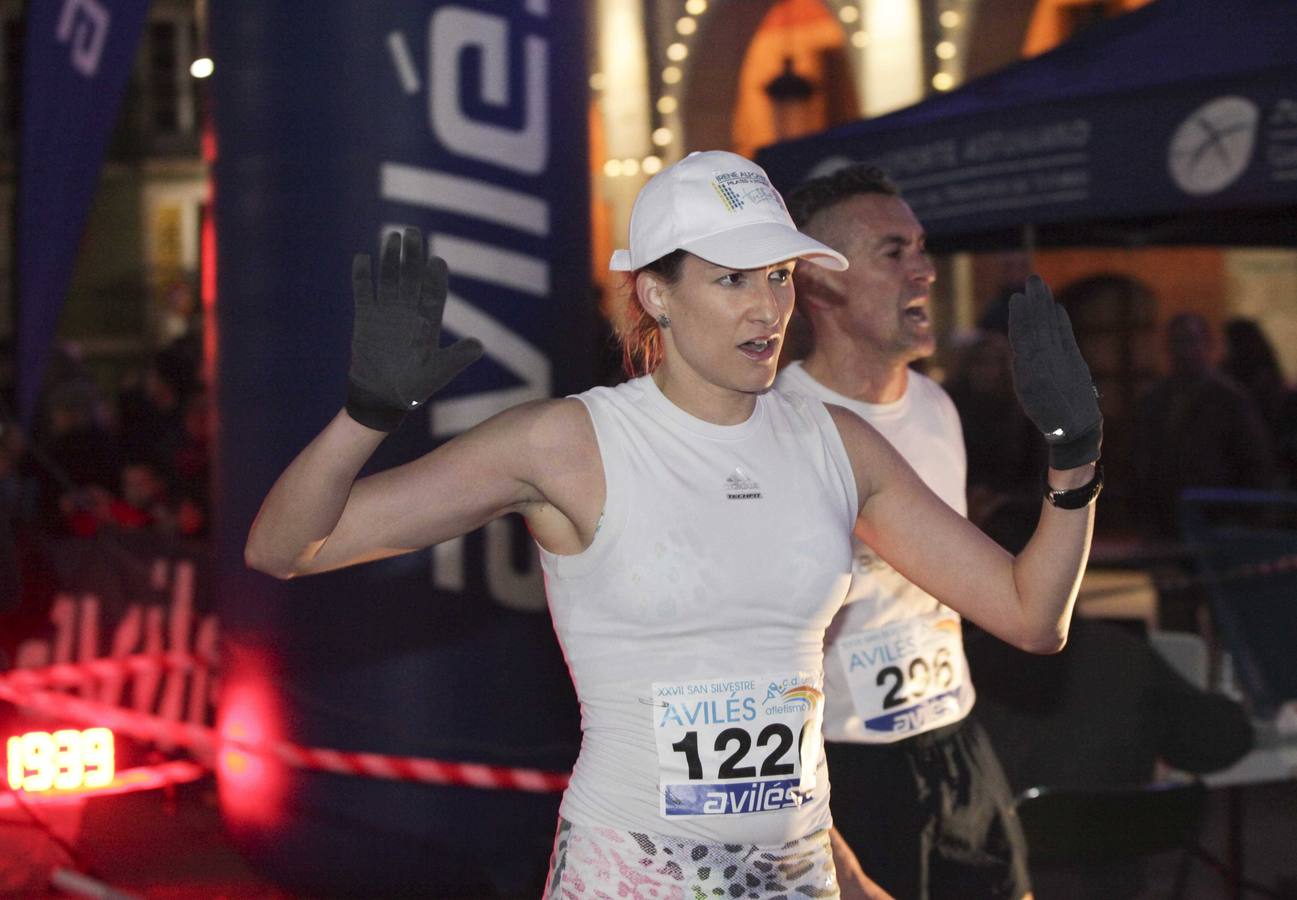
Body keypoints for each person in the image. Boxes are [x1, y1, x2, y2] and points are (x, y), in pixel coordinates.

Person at [244, 150, 1102, 899]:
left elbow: (1031, 617)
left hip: (798, 874)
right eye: (730, 279)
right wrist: (366, 416)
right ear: (657, 292)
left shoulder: (839, 445)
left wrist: (1073, 464)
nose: (765, 309)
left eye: (777, 276)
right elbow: (284, 549)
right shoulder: (568, 442)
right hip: (633, 872)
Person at [774, 164, 1049, 900]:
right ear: (817, 281)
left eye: (921, 247)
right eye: (891, 252)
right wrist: (826, 848)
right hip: (845, 768)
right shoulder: (775, 431)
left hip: (955, 737)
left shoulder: (936, 405)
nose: (924, 269)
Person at [965, 616, 1254, 898]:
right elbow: (1224, 740)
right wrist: (1148, 737)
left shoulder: (956, 667)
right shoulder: (1118, 652)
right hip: (1109, 882)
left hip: (996, 882)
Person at [1134, 313, 1277, 540]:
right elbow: (1143, 458)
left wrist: (1245, 519)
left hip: (1217, 517)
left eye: (1191, 340)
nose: (1184, 350)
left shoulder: (1231, 400)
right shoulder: (1155, 399)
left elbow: (1255, 462)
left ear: (1207, 345)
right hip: (1165, 520)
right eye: (1177, 342)